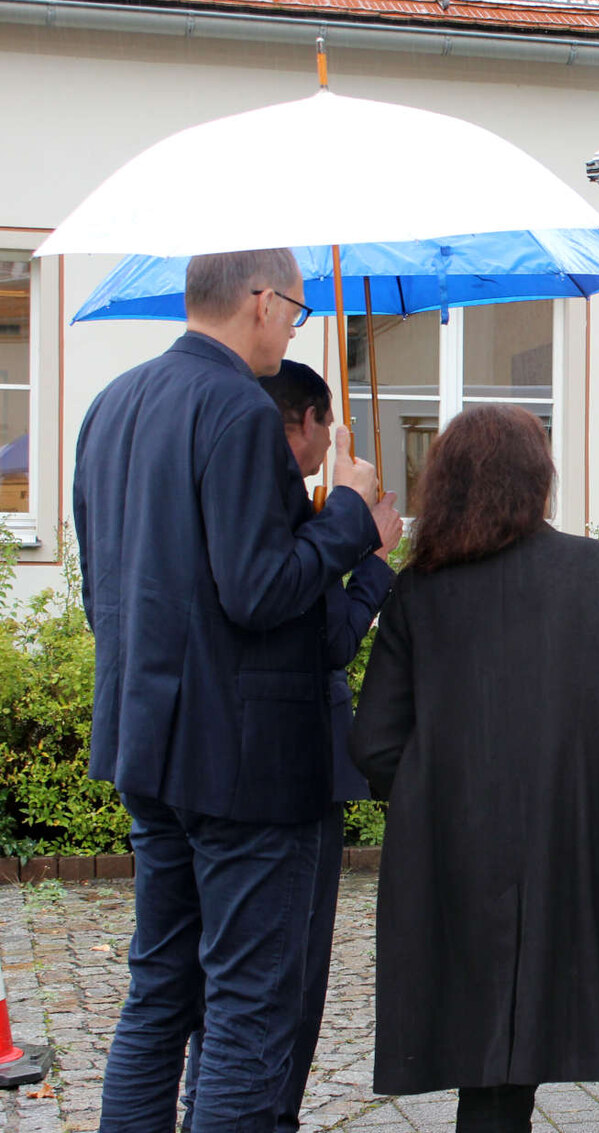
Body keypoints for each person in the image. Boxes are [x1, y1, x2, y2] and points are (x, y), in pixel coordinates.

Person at [74, 248, 397, 1132]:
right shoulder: (241, 410)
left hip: (148, 741)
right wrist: (350, 521)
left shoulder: (110, 406)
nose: (297, 326)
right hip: (246, 761)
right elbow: (258, 589)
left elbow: (105, 580)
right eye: (296, 308)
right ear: (260, 301)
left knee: (159, 992)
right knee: (250, 1007)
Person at [350, 405, 599, 1133]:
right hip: (597, 853)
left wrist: (441, 801)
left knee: (493, 1077)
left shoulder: (418, 592)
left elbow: (377, 743)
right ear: (537, 480)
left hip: (468, 864)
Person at [182, 360, 401, 1130]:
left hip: (205, 762)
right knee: (276, 987)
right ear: (308, 422)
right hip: (287, 768)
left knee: (221, 982)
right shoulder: (277, 502)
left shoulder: (226, 486)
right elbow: (328, 641)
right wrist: (369, 558)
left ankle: (216, 1107)